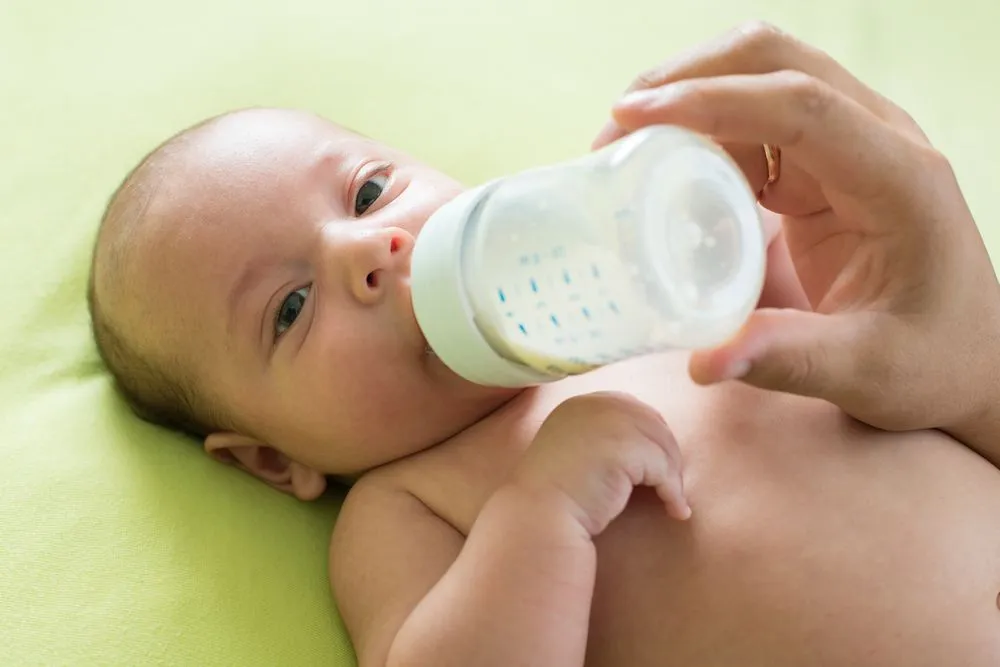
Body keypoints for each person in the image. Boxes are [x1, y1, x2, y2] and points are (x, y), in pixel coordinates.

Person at [87, 21, 1000, 666]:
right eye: (289, 308)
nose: (368, 250)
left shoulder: (645, 294)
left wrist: (741, 221)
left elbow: (870, 345)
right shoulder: (411, 506)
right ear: (271, 461)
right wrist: (541, 516)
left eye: (368, 193)